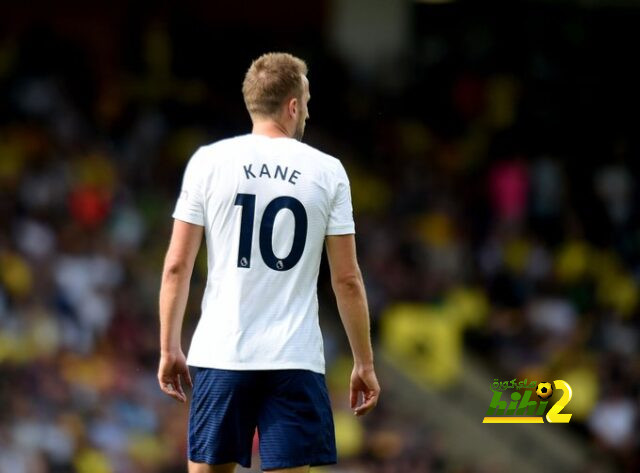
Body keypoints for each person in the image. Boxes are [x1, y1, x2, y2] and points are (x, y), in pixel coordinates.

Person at [157, 52, 380, 473]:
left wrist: (170, 346)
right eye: (308, 102)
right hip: (293, 358)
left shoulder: (208, 161)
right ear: (293, 105)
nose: (308, 113)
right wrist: (364, 362)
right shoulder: (328, 171)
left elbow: (176, 267)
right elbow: (346, 280)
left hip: (223, 352)